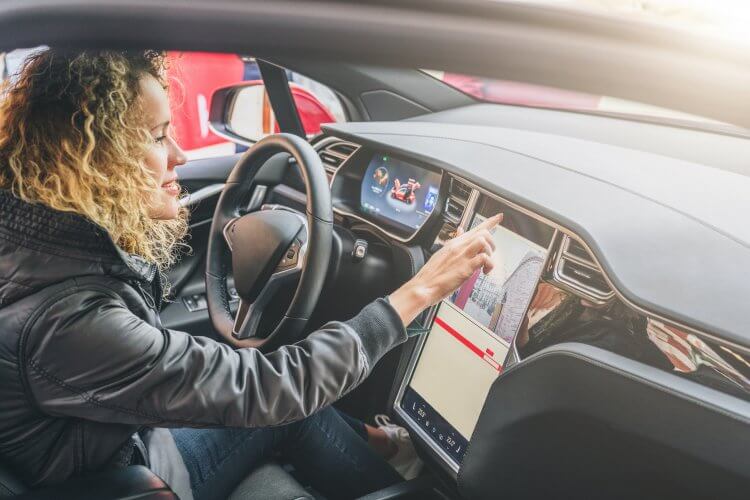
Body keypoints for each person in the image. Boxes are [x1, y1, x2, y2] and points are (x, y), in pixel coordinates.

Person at [0, 49, 501, 500]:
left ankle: (388, 445)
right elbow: (273, 388)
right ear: (93, 161)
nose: (178, 155)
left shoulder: (40, 246)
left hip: (104, 448)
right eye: (157, 137)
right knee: (288, 406)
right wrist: (419, 291)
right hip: (125, 478)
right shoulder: (70, 319)